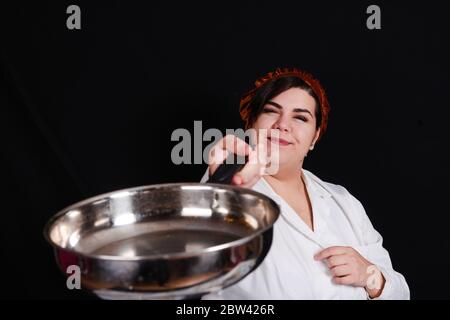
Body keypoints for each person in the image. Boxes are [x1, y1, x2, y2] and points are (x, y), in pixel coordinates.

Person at [200, 67, 409, 299]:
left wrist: (372, 277)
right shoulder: (223, 189)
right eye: (271, 111)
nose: (282, 125)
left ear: (314, 137)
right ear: (250, 124)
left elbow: (401, 294)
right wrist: (225, 191)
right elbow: (189, 267)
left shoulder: (344, 202)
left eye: (300, 117)